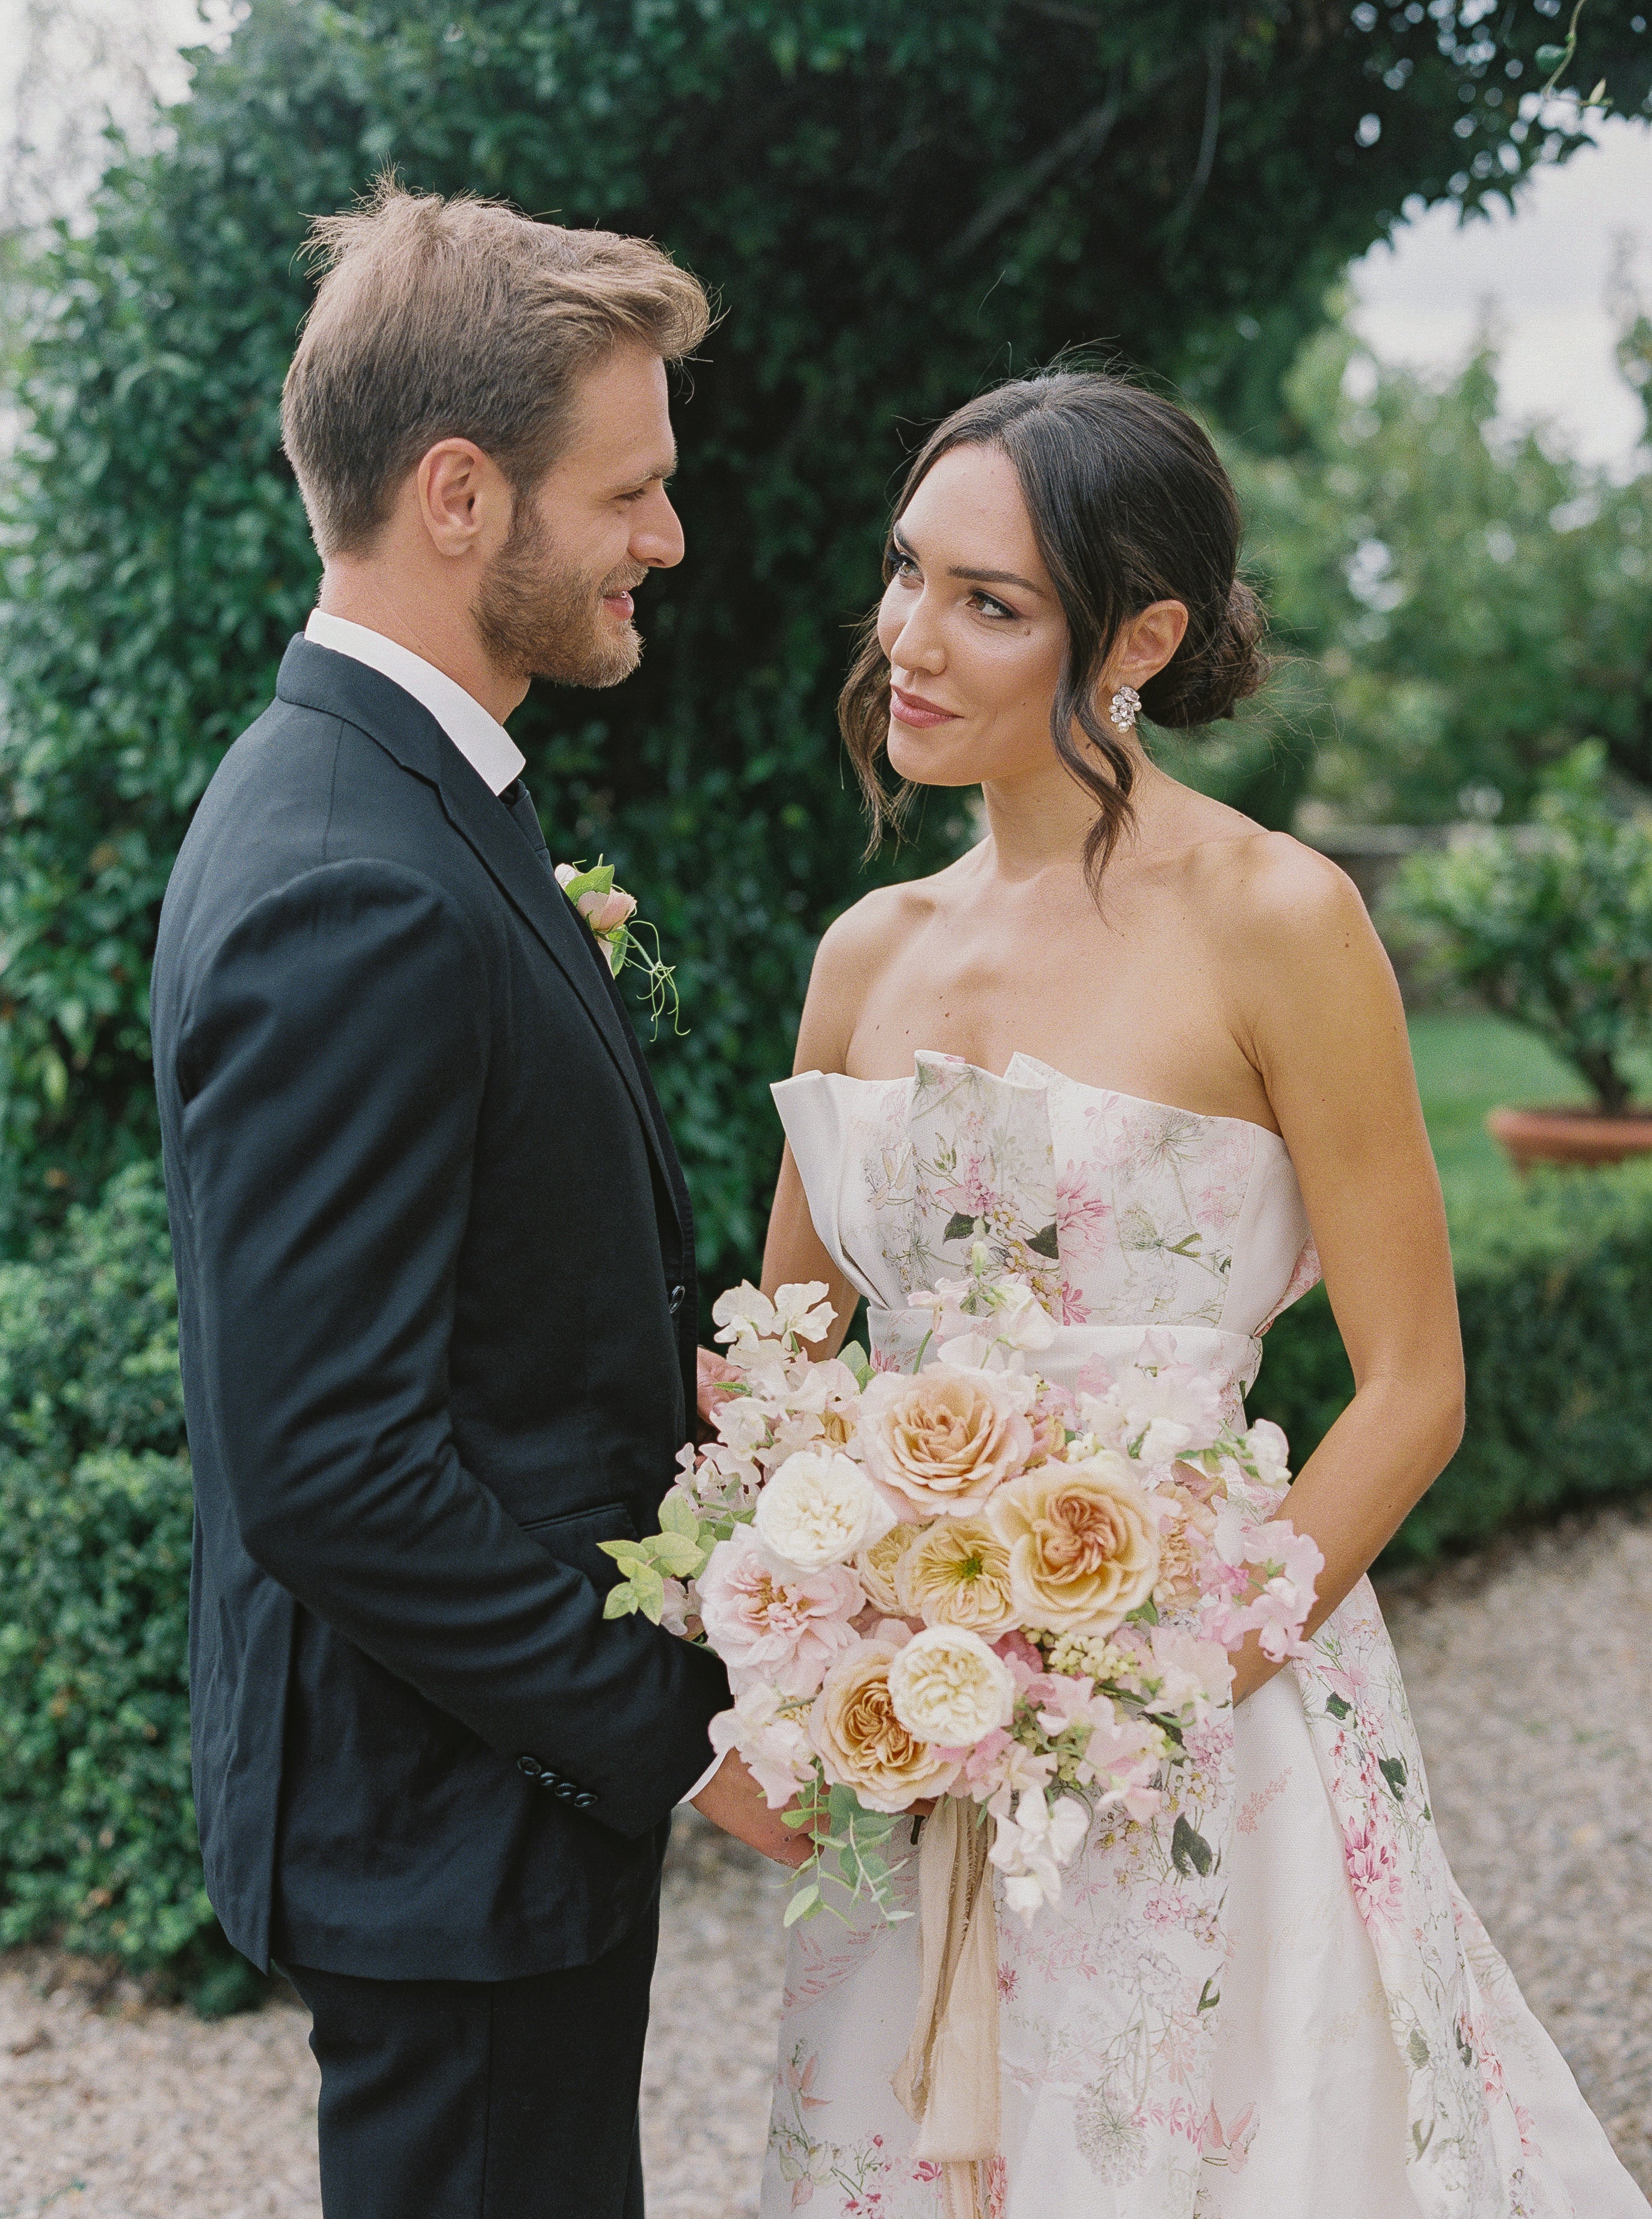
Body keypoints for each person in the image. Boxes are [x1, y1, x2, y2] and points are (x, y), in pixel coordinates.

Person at [751, 372, 1649, 2217]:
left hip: (1196, 1734)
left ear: (1139, 641)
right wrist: (829, 1655)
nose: (908, 638)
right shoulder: (863, 954)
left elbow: (1411, 1387)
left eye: (989, 603)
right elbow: (783, 1382)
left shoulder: (1277, 918)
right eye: (907, 572)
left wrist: (1144, 1687)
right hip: (918, 1743)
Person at [149, 182, 803, 2219]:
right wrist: (685, 1739)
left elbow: (472, 1303)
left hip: (476, 1816)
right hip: (448, 1829)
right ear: (458, 492)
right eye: (629, 490)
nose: (666, 537)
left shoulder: (399, 795)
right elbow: (330, 1465)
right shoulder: (351, 875)